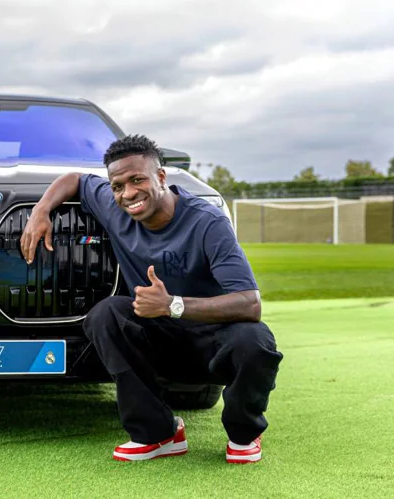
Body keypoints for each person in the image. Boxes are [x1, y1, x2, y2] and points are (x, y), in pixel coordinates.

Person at [20, 134, 283, 464]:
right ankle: (159, 434)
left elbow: (251, 304)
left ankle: (244, 434)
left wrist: (173, 304)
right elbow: (74, 179)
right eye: (118, 186)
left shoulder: (207, 222)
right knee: (107, 315)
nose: (128, 194)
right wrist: (41, 209)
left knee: (255, 339)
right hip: (159, 341)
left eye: (136, 180)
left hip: (213, 342)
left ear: (161, 177)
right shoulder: (117, 206)